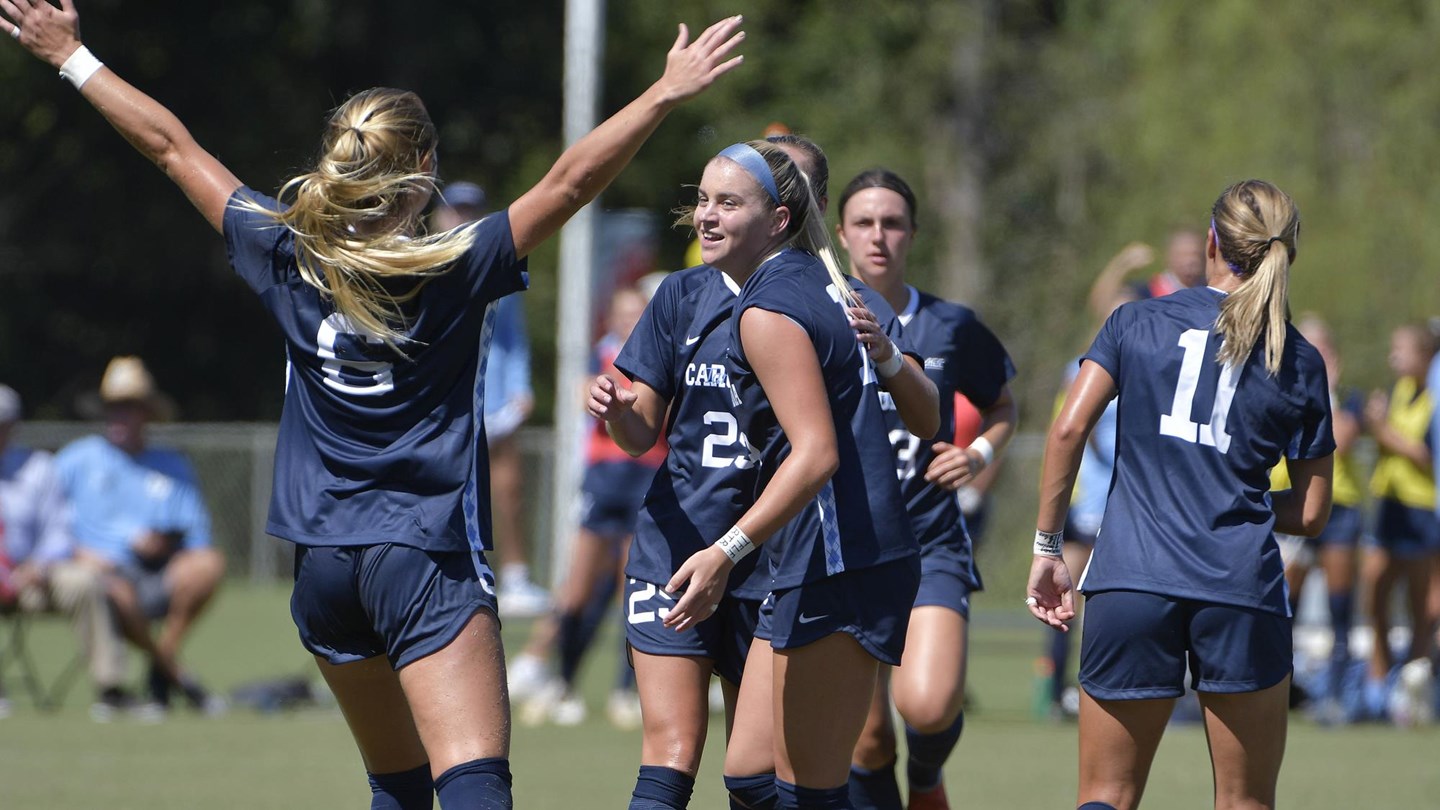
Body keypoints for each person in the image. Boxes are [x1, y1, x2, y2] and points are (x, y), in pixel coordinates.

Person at [5, 3, 744, 807]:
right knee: (472, 781)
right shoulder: (458, 262)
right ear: (422, 166)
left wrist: (72, 56)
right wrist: (665, 93)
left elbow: (171, 146)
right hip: (423, 555)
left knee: (397, 787)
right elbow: (569, 183)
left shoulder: (285, 252)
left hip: (324, 567)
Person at [592, 134, 936, 810]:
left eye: (729, 202)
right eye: (703, 200)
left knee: (811, 785)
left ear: (784, 216)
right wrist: (617, 410)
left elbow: (820, 453)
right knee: (750, 773)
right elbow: (643, 431)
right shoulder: (746, 292)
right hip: (760, 548)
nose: (706, 215)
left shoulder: (776, 304)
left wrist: (725, 550)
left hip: (828, 555)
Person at [1029, 179, 1334, 810]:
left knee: (1105, 794)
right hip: (1239, 588)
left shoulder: (1135, 320)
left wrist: (1047, 545)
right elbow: (1310, 510)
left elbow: (1066, 428)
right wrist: (1231, 501)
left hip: (1130, 580)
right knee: (1245, 800)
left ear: (1211, 242)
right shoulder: (1299, 359)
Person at [834, 168, 1018, 810]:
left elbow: (1003, 406)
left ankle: (929, 778)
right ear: (841, 234)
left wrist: (977, 454)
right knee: (866, 741)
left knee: (927, 705)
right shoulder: (816, 316)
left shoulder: (950, 325)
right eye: (864, 222)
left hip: (930, 543)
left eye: (892, 222)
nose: (878, 235)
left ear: (912, 233)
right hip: (845, 552)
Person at [520, 285, 662, 728]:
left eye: (636, 311)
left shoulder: (660, 357)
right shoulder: (602, 358)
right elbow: (585, 391)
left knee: (630, 591)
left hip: (646, 479)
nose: (628, 318)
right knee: (578, 588)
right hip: (603, 481)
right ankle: (562, 682)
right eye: (621, 311)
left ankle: (626, 691)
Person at [54, 357, 226, 715]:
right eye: (113, 408)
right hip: (104, 571)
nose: (119, 416)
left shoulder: (172, 464)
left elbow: (196, 536)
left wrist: (163, 544)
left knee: (208, 565)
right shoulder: (75, 460)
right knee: (114, 589)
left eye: (128, 407)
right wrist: (78, 552)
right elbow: (47, 522)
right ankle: (172, 674)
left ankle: (161, 665)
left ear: (146, 413)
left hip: (159, 570)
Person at [432, 182, 550, 618]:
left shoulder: (493, 262)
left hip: (496, 396)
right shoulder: (422, 257)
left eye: (470, 209)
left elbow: (513, 337)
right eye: (455, 209)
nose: (461, 216)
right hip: (447, 400)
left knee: (508, 490)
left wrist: (521, 388)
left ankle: (515, 574)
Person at [0, 384, 138, 719]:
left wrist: (40, 566)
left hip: (31, 578)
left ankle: (111, 689)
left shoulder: (38, 468)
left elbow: (59, 531)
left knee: (85, 582)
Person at [1269, 315, 1364, 716]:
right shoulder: (1283, 389)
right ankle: (1281, 691)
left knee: (1340, 608)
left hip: (1338, 510)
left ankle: (1338, 698)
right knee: (1285, 605)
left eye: (1324, 347)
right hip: (1291, 505)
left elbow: (1340, 439)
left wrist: (1327, 391)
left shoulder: (1350, 398)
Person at [1360, 323, 1437, 704]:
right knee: (1374, 591)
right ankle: (1378, 678)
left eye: (1401, 349)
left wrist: (1382, 430)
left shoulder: (1435, 397)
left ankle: (1414, 684)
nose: (1394, 356)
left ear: (1425, 355)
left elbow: (1426, 455)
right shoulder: (1398, 390)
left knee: (1419, 603)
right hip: (1388, 503)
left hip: (1421, 509)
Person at [1085, 229, 1205, 321]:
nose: (1191, 261)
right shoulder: (1147, 292)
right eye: (1183, 255)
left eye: (1196, 254)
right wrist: (1121, 266)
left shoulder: (1208, 292)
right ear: (1169, 256)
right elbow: (1099, 306)